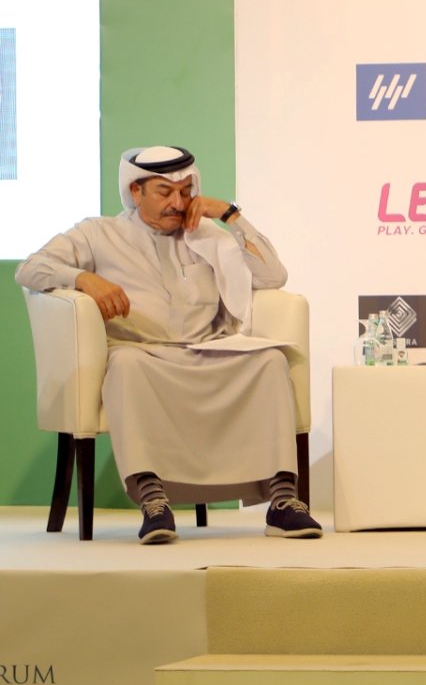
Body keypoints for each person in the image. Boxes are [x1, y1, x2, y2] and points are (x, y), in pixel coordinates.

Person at [18, 146, 319, 544]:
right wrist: (83, 279)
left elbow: (272, 275)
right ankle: (153, 500)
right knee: (125, 365)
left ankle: (282, 500)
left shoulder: (207, 236)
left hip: (210, 351)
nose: (178, 202)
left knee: (270, 362)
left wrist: (231, 215)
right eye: (165, 192)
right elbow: (30, 268)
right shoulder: (98, 233)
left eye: (186, 190)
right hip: (144, 355)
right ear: (136, 191)